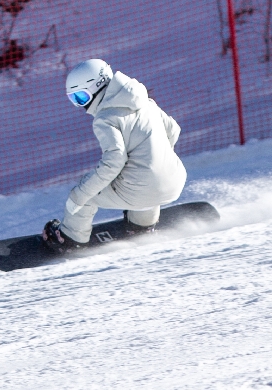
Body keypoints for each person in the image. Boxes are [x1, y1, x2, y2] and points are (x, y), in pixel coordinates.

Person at [42, 58, 187, 251]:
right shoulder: (146, 103)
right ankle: (142, 224)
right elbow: (173, 130)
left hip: (141, 190)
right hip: (175, 181)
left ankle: (70, 239)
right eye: (74, 99)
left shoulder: (105, 118)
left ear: (97, 87)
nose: (80, 105)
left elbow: (114, 161)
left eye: (81, 97)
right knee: (142, 174)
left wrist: (78, 196)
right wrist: (158, 161)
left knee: (86, 193)